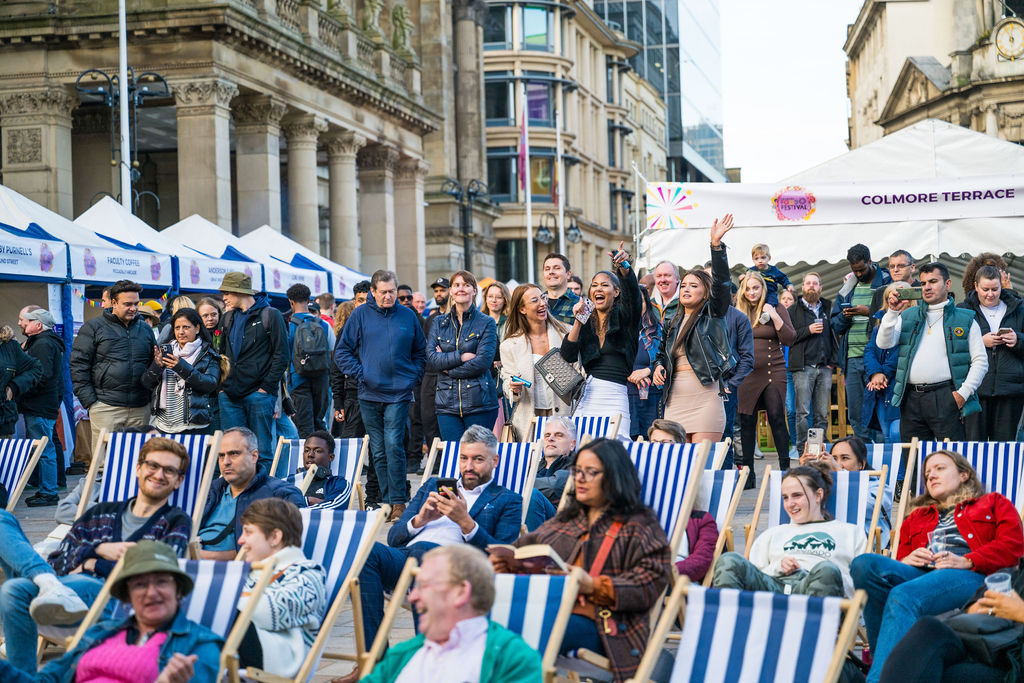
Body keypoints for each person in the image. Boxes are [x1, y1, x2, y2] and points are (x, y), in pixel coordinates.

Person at [336, 425, 523, 682]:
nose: (469, 466)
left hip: (454, 570)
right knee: (365, 551)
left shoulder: (508, 500)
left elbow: (501, 555)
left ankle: (427, 667)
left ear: (494, 461)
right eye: (464, 458)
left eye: (478, 459)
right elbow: (393, 537)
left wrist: (466, 522)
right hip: (406, 559)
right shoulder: (432, 486)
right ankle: (375, 660)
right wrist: (420, 519)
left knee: (429, 558)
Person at [0, 437, 194, 673]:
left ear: (178, 481)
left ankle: (49, 584)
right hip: (61, 593)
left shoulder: (176, 521)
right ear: (139, 469)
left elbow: (155, 575)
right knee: (11, 578)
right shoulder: (101, 512)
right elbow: (58, 561)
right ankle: (46, 587)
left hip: (117, 604)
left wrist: (89, 563)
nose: (159, 474)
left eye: (169, 470)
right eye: (153, 465)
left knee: (68, 580)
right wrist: (98, 550)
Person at [490, 438, 672, 683]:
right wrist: (506, 561)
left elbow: (649, 583)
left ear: (614, 478)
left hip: (605, 625)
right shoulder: (567, 519)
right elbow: (523, 548)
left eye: (591, 472)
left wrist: (593, 585)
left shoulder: (639, 525)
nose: (580, 479)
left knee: (522, 631)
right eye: (577, 471)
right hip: (551, 609)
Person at [851, 449, 1024, 682]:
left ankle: (879, 678)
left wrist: (968, 559)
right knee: (864, 564)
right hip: (922, 574)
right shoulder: (917, 516)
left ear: (964, 475)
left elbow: (1014, 546)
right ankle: (891, 666)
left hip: (971, 575)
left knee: (904, 594)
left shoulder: (993, 502)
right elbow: (901, 556)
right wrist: (906, 559)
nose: (931, 476)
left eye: (940, 469)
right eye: (927, 473)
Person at [0, 540, 223, 682]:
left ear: (178, 591)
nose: (151, 592)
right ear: (127, 597)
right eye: (140, 585)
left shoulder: (199, 644)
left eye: (162, 582)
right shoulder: (101, 633)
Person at [360, 545, 542, 683]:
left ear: (460, 592)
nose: (412, 596)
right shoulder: (402, 655)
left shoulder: (511, 659)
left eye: (423, 586)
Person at [336, 269, 426, 523]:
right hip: (369, 393)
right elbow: (342, 352)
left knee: (393, 445)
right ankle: (386, 502)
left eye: (392, 292)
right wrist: (360, 374)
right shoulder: (360, 315)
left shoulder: (408, 316)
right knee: (377, 450)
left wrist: (414, 376)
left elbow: (421, 351)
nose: (388, 296)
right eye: (383, 292)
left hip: (399, 392)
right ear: (373, 292)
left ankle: (398, 501)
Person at [714, 463, 867, 598]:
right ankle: (730, 625)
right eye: (785, 498)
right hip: (773, 590)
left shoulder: (850, 532)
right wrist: (778, 567)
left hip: (817, 590)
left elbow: (861, 585)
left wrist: (817, 573)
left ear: (818, 495)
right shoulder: (772, 534)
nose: (790, 504)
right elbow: (755, 575)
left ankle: (809, 627)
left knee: (826, 569)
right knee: (729, 560)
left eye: (797, 495)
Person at [875, 262, 987, 442]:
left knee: (951, 458)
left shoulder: (965, 318)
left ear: (948, 284)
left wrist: (962, 394)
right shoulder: (907, 315)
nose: (927, 287)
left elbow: (981, 361)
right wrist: (891, 313)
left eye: (933, 281)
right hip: (910, 397)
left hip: (946, 394)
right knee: (913, 459)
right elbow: (883, 343)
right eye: (923, 282)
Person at [653, 215, 736, 445]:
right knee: (679, 464)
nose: (686, 289)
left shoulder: (713, 313)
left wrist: (716, 246)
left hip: (705, 399)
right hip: (675, 400)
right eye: (684, 285)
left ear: (705, 292)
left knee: (701, 464)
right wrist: (658, 366)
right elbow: (661, 353)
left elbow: (723, 283)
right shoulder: (672, 320)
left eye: (694, 285)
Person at [880, 567, 1024, 682]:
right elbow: (966, 613)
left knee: (939, 672)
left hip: (1012, 662)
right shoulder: (1010, 574)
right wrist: (975, 609)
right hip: (984, 646)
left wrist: (1019, 611)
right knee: (928, 630)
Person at [236, 499, 326, 678]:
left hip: (277, 662)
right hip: (242, 650)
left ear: (275, 537)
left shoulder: (308, 574)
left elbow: (267, 611)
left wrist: (217, 596)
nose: (240, 540)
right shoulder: (249, 572)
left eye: (248, 532)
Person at [561, 242, 641, 437]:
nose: (598, 289)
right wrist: (578, 321)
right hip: (589, 396)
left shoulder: (626, 317)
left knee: (616, 447)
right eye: (594, 285)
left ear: (616, 292)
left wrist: (624, 267)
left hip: (616, 395)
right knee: (583, 448)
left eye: (605, 285)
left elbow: (633, 295)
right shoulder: (587, 321)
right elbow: (567, 355)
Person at [70, 279, 155, 456]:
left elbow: (152, 364)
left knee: (137, 460)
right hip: (105, 406)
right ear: (114, 303)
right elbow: (78, 366)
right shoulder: (93, 327)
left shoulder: (145, 330)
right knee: (103, 464)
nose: (133, 308)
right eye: (127, 304)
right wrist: (92, 403)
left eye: (136, 304)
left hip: (140, 406)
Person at [217, 271, 289, 474]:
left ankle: (262, 497)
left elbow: (282, 354)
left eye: (227, 293)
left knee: (262, 451)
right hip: (230, 395)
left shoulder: (270, 314)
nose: (224, 298)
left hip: (259, 395)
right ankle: (238, 496)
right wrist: (222, 387)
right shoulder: (228, 317)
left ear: (239, 292)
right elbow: (221, 354)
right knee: (232, 450)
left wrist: (266, 388)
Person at [197, 427, 305, 560]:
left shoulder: (280, 494)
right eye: (221, 455)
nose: (226, 462)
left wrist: (200, 555)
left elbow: (284, 546)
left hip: (236, 572)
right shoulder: (209, 490)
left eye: (234, 454)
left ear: (254, 456)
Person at [736, 270, 797, 483]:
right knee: (746, 420)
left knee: (777, 417)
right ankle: (749, 474)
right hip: (746, 372)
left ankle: (785, 471)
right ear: (743, 291)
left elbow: (790, 338)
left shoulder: (775, 308)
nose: (752, 292)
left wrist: (774, 314)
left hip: (773, 369)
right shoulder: (738, 311)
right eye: (748, 288)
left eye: (756, 288)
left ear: (763, 288)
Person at [426, 270, 499, 442]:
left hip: (479, 403)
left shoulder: (486, 322)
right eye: (457, 285)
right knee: (454, 456)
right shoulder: (438, 322)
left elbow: (483, 362)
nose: (461, 289)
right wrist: (461, 356)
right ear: (451, 290)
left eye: (466, 285)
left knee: (478, 455)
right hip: (446, 404)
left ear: (474, 291)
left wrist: (447, 369)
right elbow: (432, 359)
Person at [831, 244, 892, 442]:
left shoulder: (887, 283)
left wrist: (871, 311)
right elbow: (835, 324)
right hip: (852, 359)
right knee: (856, 413)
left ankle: (884, 456)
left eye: (861, 269)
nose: (858, 273)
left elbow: (896, 317)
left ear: (870, 261)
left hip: (878, 360)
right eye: (854, 270)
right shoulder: (847, 288)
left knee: (881, 412)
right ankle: (863, 454)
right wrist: (845, 316)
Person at [959, 264, 1024, 441]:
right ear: (975, 286)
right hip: (975, 390)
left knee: (1004, 447)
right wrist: (980, 342)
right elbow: (952, 348)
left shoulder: (1019, 308)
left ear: (1002, 286)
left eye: (995, 289)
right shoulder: (963, 310)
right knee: (974, 445)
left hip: (1010, 389)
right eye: (985, 289)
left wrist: (1018, 340)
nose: (990, 294)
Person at [499, 284, 572, 441]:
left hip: (562, 413)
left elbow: (578, 372)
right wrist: (514, 388)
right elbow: (507, 383)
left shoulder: (566, 333)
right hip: (529, 417)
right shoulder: (509, 345)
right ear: (522, 309)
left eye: (543, 297)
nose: (542, 303)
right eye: (534, 300)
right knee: (532, 463)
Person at [798, 435, 893, 549]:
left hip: (862, 547)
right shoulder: (822, 485)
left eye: (845, 458)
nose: (837, 463)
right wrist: (804, 471)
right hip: (825, 545)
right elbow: (797, 503)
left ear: (861, 464)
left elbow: (868, 508)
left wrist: (841, 472)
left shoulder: (876, 485)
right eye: (834, 458)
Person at [140, 308, 222, 435]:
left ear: (197, 328)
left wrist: (181, 367)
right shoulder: (166, 351)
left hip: (194, 425)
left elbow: (210, 384)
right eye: (177, 328)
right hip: (163, 424)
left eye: (186, 327)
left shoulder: (208, 355)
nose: (181, 332)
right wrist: (157, 366)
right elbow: (146, 382)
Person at [16, 308, 62, 507]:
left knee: (44, 449)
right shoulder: (43, 342)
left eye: (23, 320)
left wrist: (19, 388)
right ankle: (47, 489)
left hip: (39, 405)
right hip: (42, 403)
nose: (20, 323)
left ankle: (49, 492)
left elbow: (41, 376)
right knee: (45, 446)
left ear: (38, 324)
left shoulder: (43, 343)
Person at [787, 272, 838, 454]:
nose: (811, 286)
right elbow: (788, 337)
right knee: (803, 413)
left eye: (815, 283)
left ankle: (818, 450)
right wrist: (808, 330)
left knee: (821, 414)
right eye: (808, 283)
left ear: (820, 287)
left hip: (824, 367)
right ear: (802, 287)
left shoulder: (827, 307)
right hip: (803, 367)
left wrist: (833, 361)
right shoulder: (792, 310)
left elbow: (833, 335)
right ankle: (803, 450)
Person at [862, 282, 908, 444]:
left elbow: (901, 353)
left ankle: (904, 469)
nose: (895, 300)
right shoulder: (878, 325)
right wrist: (875, 374)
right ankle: (892, 469)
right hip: (880, 388)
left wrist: (883, 374)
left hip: (897, 386)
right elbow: (869, 351)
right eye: (891, 297)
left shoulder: (911, 323)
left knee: (897, 433)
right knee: (885, 434)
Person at [286, 283, 332, 438]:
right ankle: (323, 459)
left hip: (298, 380)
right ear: (309, 299)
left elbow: (284, 354)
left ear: (291, 302)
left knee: (304, 427)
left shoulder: (288, 325)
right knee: (319, 423)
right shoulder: (324, 325)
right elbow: (332, 352)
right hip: (322, 379)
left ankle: (306, 461)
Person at [627, 284, 662, 439]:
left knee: (651, 443)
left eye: (639, 301)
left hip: (652, 397)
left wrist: (648, 370)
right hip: (624, 396)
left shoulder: (658, 330)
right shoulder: (613, 331)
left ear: (646, 304)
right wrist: (628, 373)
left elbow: (668, 358)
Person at [330, 301, 364, 440]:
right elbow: (336, 367)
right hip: (353, 394)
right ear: (355, 302)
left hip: (379, 394)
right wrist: (338, 401)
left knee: (378, 447)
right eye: (360, 300)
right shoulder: (348, 329)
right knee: (350, 443)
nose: (364, 304)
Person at [299, 429, 351, 506]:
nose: (310, 455)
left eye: (318, 451)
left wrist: (307, 501)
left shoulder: (337, 483)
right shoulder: (292, 480)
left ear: (331, 457)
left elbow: (335, 507)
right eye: (306, 450)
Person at [533, 416, 576, 506]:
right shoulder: (533, 465)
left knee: (533, 495)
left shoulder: (576, 466)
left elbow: (555, 487)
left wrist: (519, 483)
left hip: (556, 515)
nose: (550, 438)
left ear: (572, 444)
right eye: (547, 435)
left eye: (559, 435)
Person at [540, 253, 580, 326]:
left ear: (568, 274)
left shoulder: (580, 304)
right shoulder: (537, 304)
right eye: (547, 269)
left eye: (557, 268)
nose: (551, 272)